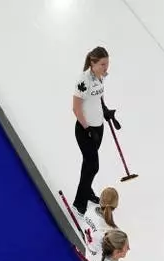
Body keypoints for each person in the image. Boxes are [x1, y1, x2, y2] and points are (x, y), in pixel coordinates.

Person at [71, 46, 120, 216]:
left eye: (107, 64)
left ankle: (87, 191)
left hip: (99, 128)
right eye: (103, 64)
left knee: (88, 164)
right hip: (85, 130)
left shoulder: (101, 76)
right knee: (93, 166)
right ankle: (79, 203)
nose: (106, 68)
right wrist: (87, 129)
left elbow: (99, 96)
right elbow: (76, 108)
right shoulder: (83, 81)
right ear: (93, 63)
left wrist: (105, 110)